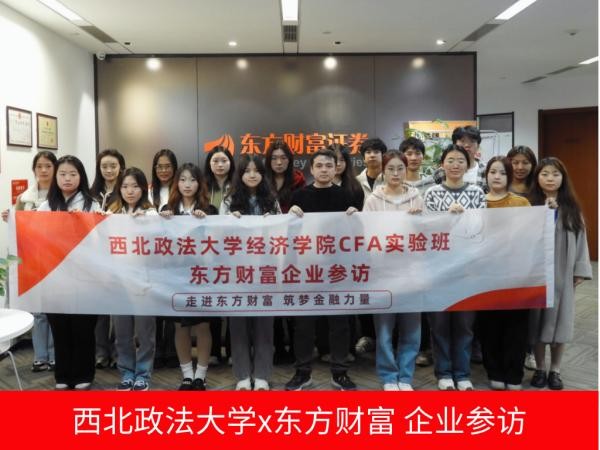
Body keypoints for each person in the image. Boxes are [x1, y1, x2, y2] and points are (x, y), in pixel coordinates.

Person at [286, 148, 359, 391]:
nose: (324, 170)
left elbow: (357, 233)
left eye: (329, 165)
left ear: (336, 168)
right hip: (307, 270)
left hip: (338, 269)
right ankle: (302, 372)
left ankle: (339, 373)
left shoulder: (346, 195)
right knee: (304, 324)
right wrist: (291, 215)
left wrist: (355, 216)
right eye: (319, 166)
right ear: (311, 169)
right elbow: (290, 234)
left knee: (340, 323)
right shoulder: (300, 196)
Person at [424, 145, 486, 391]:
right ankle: (444, 373)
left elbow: (482, 229)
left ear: (468, 165)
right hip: (438, 268)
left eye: (461, 160)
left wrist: (465, 217)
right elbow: (426, 231)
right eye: (450, 160)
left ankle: (462, 373)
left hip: (468, 269)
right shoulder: (432, 193)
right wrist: (446, 218)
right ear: (442, 164)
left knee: (464, 324)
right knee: (439, 324)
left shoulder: (477, 193)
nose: (455, 165)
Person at [38, 155, 101, 390]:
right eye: (63, 174)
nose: (67, 178)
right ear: (56, 177)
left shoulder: (91, 204)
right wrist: (13, 218)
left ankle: (84, 373)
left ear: (81, 177)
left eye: (73, 174)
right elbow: (35, 236)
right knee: (60, 327)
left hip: (85, 276)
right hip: (55, 276)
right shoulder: (46, 206)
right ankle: (63, 374)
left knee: (82, 327)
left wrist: (84, 223)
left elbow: (99, 240)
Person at [528, 157, 592, 390]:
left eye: (555, 174)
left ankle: (555, 369)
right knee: (537, 321)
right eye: (545, 174)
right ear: (537, 178)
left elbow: (582, 241)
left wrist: (580, 269)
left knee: (561, 321)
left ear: (563, 178)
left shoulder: (572, 208)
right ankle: (540, 368)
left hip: (563, 274)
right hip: (536, 275)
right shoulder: (530, 206)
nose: (550, 178)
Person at [363, 151, 424, 391]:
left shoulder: (416, 197)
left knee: (411, 328)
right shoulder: (373, 200)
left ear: (406, 170)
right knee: (384, 329)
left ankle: (405, 377)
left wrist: (418, 221)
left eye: (400, 168)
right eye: (391, 169)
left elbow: (428, 233)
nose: (396, 173)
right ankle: (389, 376)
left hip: (412, 271)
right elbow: (366, 234)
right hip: (383, 272)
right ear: (383, 171)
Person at [221, 155, 281, 390]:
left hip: (265, 269)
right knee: (238, 324)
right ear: (240, 174)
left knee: (264, 323)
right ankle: (243, 375)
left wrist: (273, 222)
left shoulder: (271, 200)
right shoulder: (229, 200)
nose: (252, 175)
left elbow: (282, 233)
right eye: (247, 171)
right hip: (237, 270)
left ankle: (263, 375)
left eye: (257, 171)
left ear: (263, 175)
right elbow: (218, 235)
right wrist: (230, 221)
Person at [159, 163, 218, 391]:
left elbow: (219, 241)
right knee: (180, 327)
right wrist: (163, 219)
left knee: (203, 326)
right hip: (175, 275)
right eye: (183, 179)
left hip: (201, 275)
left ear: (199, 183)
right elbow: (159, 240)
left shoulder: (209, 209)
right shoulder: (168, 209)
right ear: (177, 183)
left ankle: (201, 375)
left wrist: (206, 221)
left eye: (192, 180)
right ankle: (186, 375)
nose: (187, 184)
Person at [2, 151, 57, 373]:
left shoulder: (61, 195)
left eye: (48, 166)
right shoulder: (24, 198)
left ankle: (55, 355)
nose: (43, 170)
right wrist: (10, 218)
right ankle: (40, 356)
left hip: (56, 258)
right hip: (32, 258)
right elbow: (17, 229)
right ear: (34, 169)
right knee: (38, 311)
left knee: (55, 309)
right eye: (39, 166)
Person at [478, 156, 531, 390]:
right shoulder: (477, 202)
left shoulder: (521, 203)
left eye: (502, 172)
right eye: (493, 172)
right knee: (490, 326)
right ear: (486, 175)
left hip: (516, 275)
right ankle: (495, 370)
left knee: (516, 326)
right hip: (485, 276)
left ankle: (514, 373)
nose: (497, 176)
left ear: (509, 176)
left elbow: (531, 235)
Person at [107, 167, 157, 391]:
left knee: (145, 332)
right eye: (125, 186)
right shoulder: (112, 212)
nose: (130, 191)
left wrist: (147, 223)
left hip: (144, 281)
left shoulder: (151, 213)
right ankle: (126, 372)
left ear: (143, 188)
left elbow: (161, 243)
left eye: (135, 186)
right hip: (118, 282)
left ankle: (143, 374)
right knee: (122, 332)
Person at [264, 140, 305, 365]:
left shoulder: (299, 180)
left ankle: (297, 349)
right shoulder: (262, 180)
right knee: (273, 296)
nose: (279, 162)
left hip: (292, 245)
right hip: (267, 246)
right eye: (274, 158)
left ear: (289, 160)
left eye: (283, 158)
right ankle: (278, 347)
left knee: (292, 295)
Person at [399, 136, 435, 367]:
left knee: (423, 301)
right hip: (397, 252)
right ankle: (402, 345)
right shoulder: (391, 182)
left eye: (417, 153)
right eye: (408, 153)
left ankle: (425, 348)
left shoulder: (431, 183)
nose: (413, 158)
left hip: (424, 250)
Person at [90, 148, 126, 370]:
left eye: (113, 166)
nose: (109, 170)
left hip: (121, 257)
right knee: (100, 309)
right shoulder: (91, 193)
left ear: (121, 167)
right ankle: (101, 352)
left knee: (119, 309)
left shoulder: (127, 190)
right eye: (104, 166)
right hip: (95, 257)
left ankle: (118, 352)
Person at [506, 145, 538, 371]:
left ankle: (529, 350)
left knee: (529, 306)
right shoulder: (500, 185)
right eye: (515, 162)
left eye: (525, 162)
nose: (519, 167)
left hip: (530, 256)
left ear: (532, 165)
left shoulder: (538, 190)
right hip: (503, 255)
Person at [205, 145, 236, 365]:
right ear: (209, 164)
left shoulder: (238, 185)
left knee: (233, 302)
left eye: (224, 160)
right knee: (213, 304)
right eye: (215, 161)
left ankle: (233, 350)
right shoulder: (203, 186)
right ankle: (214, 351)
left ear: (230, 163)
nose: (219, 165)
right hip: (209, 251)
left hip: (234, 251)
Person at [149, 149, 179, 369]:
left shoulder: (182, 188)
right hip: (153, 255)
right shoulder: (149, 191)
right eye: (159, 166)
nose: (164, 170)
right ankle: (157, 350)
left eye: (168, 166)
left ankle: (172, 350)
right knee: (155, 305)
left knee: (172, 304)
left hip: (177, 255)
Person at [433, 126, 487, 190]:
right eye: (462, 141)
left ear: (478, 146)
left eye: (472, 141)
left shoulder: (486, 170)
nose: (467, 145)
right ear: (454, 144)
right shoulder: (441, 172)